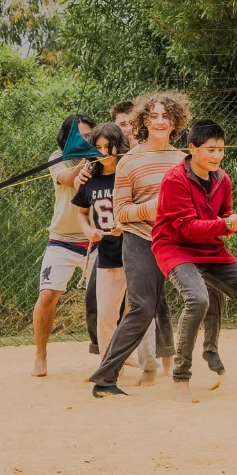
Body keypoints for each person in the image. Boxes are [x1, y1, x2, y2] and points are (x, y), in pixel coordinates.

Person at [152, 120, 237, 404]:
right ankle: (181, 378)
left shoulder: (223, 178)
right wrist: (226, 224)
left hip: (210, 248)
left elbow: (223, 215)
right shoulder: (175, 179)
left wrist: (233, 222)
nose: (217, 156)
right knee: (197, 299)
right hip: (176, 248)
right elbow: (185, 227)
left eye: (221, 150)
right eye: (211, 150)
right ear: (193, 148)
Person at [89, 91, 191, 397]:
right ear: (143, 121)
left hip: (175, 242)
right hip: (140, 241)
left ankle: (208, 363)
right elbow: (120, 212)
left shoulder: (183, 160)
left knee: (210, 290)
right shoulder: (129, 162)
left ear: (175, 122)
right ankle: (105, 379)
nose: (160, 122)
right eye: (153, 116)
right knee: (142, 307)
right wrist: (152, 208)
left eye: (166, 116)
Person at [34, 114, 98, 378]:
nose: (85, 140)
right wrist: (87, 158)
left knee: (113, 299)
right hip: (63, 238)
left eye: (89, 136)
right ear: (66, 137)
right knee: (48, 295)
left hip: (97, 238)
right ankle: (40, 355)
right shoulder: (57, 157)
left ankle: (114, 352)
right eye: (78, 136)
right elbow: (71, 180)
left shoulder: (105, 158)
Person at [85, 100, 138, 356]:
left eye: (109, 146)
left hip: (135, 249)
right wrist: (87, 230)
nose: (104, 151)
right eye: (99, 148)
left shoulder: (132, 169)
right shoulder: (91, 176)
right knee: (104, 310)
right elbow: (81, 210)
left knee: (136, 309)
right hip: (107, 253)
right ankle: (107, 361)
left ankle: (137, 359)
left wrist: (125, 221)